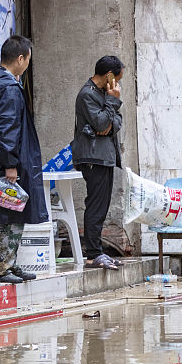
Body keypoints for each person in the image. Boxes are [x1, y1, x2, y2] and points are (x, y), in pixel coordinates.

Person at [0, 35, 46, 283]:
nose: (28, 64)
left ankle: (9, 263)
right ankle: (0, 267)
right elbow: (8, 129)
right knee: (5, 213)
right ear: (19, 59)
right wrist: (11, 165)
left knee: (11, 211)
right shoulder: (8, 89)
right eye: (27, 59)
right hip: (6, 161)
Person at [74, 55, 126, 270]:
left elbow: (114, 122)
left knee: (101, 206)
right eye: (118, 79)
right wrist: (112, 103)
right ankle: (93, 254)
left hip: (104, 156)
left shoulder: (102, 94)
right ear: (109, 76)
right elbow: (102, 122)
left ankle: (97, 252)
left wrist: (108, 117)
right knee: (95, 206)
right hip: (93, 157)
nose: (119, 85)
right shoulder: (87, 95)